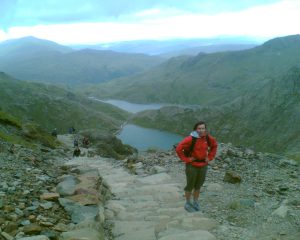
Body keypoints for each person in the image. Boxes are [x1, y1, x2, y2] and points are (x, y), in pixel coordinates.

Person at [176, 121, 218, 212]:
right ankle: (187, 203)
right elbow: (179, 148)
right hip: (192, 166)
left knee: (198, 185)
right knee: (190, 185)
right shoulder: (191, 139)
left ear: (205, 129)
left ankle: (195, 201)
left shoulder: (207, 138)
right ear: (195, 129)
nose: (201, 130)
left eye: (203, 128)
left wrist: (210, 157)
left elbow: (214, 145)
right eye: (199, 128)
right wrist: (186, 159)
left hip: (203, 166)